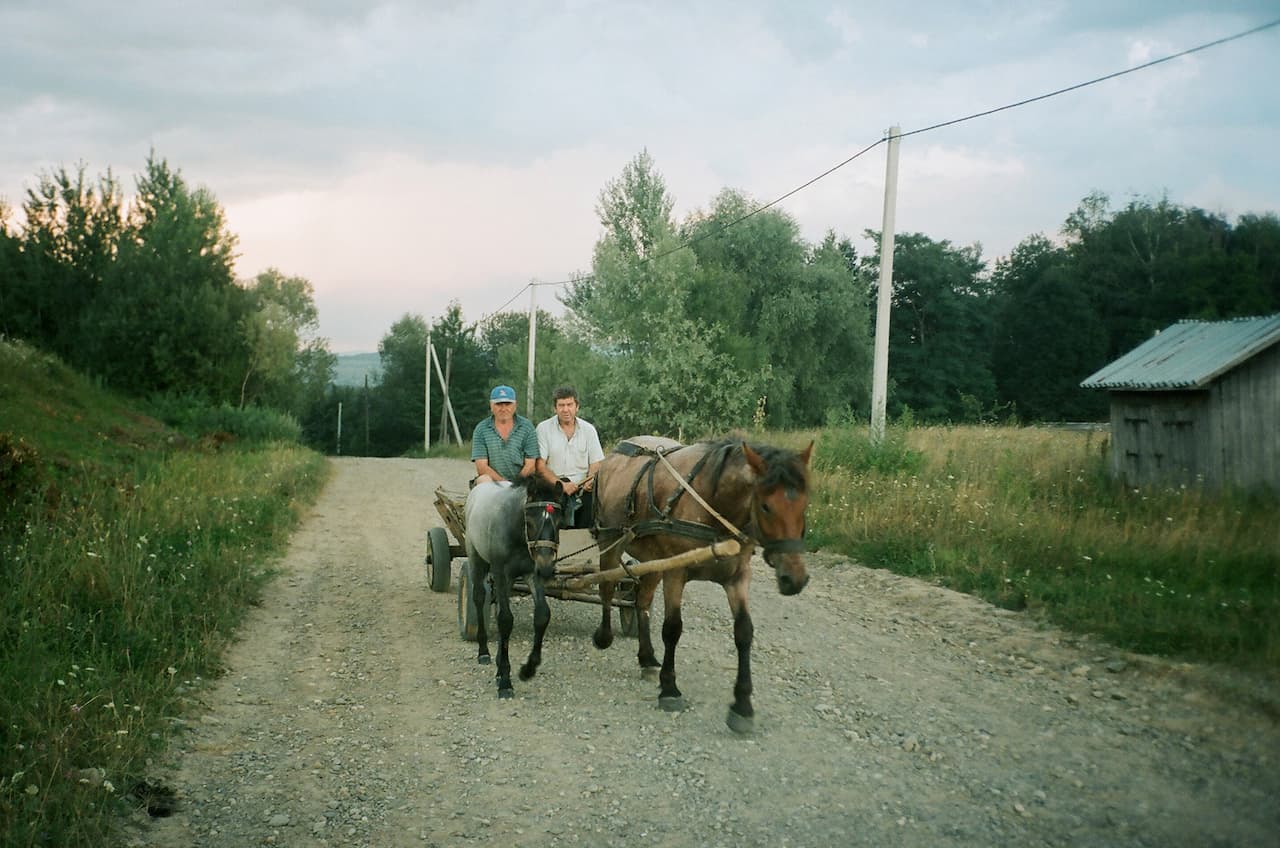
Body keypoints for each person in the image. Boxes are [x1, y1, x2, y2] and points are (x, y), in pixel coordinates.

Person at [536, 386, 604, 528]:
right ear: (555, 408)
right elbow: (540, 466)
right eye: (561, 405)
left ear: (577, 407)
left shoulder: (589, 430)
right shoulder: (543, 429)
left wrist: (590, 480)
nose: (565, 410)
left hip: (583, 487)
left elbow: (596, 463)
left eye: (569, 405)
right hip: (554, 486)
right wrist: (562, 485)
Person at [470, 384, 539, 485]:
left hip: (522, 482)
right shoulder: (481, 429)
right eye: (499, 404)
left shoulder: (527, 427)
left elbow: (531, 465)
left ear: (515, 405)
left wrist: (516, 484)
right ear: (491, 406)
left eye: (508, 404)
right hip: (493, 482)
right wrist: (504, 483)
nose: (503, 409)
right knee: (483, 480)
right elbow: (481, 467)